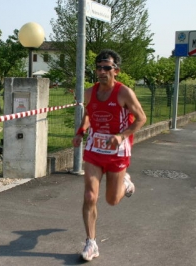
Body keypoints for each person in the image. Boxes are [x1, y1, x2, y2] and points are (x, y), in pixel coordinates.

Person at [72, 49, 147, 261]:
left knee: (112, 200)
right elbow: (89, 113)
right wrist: (80, 132)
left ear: (116, 71)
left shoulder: (124, 93)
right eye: (99, 67)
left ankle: (125, 183)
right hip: (94, 150)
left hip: (117, 152)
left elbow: (141, 118)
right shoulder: (89, 93)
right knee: (89, 196)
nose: (102, 71)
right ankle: (91, 243)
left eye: (107, 68)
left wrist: (122, 136)